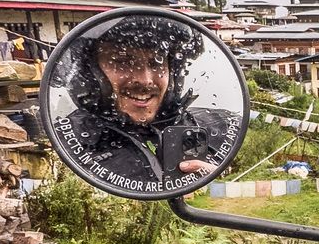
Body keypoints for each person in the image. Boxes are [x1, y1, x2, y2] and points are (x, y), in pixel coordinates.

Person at [56, 15, 241, 192]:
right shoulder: (65, 146)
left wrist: (219, 193)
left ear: (173, 72)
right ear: (90, 73)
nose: (145, 80)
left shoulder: (220, 127)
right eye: (123, 62)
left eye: (156, 63)